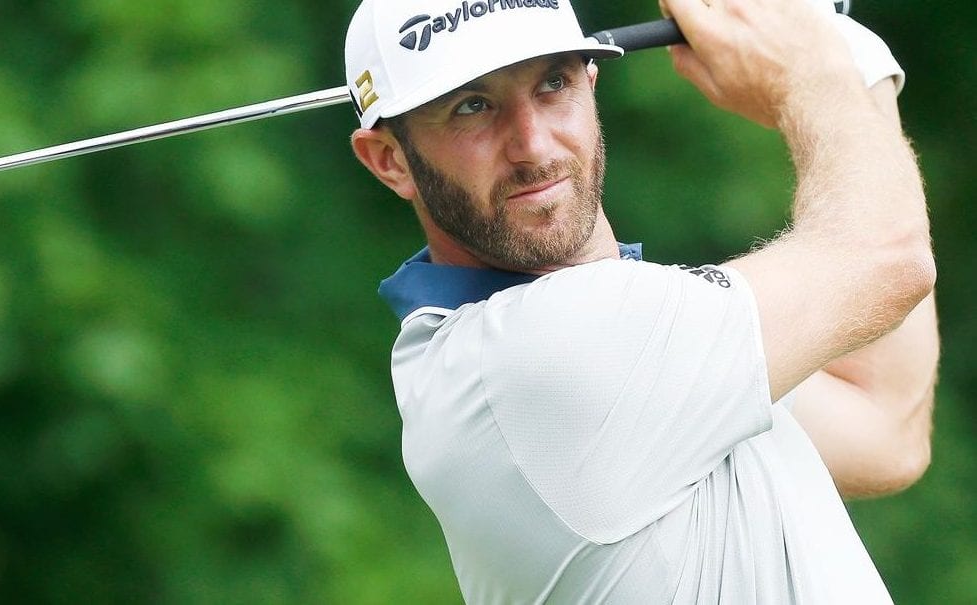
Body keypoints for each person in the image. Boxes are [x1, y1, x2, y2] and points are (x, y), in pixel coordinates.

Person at [345, 0, 939, 601]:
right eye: (473, 107)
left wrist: (855, 70)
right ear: (390, 160)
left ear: (591, 84)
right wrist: (814, 66)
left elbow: (883, 423)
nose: (534, 145)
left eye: (553, 84)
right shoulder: (533, 357)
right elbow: (887, 259)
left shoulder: (641, 355)